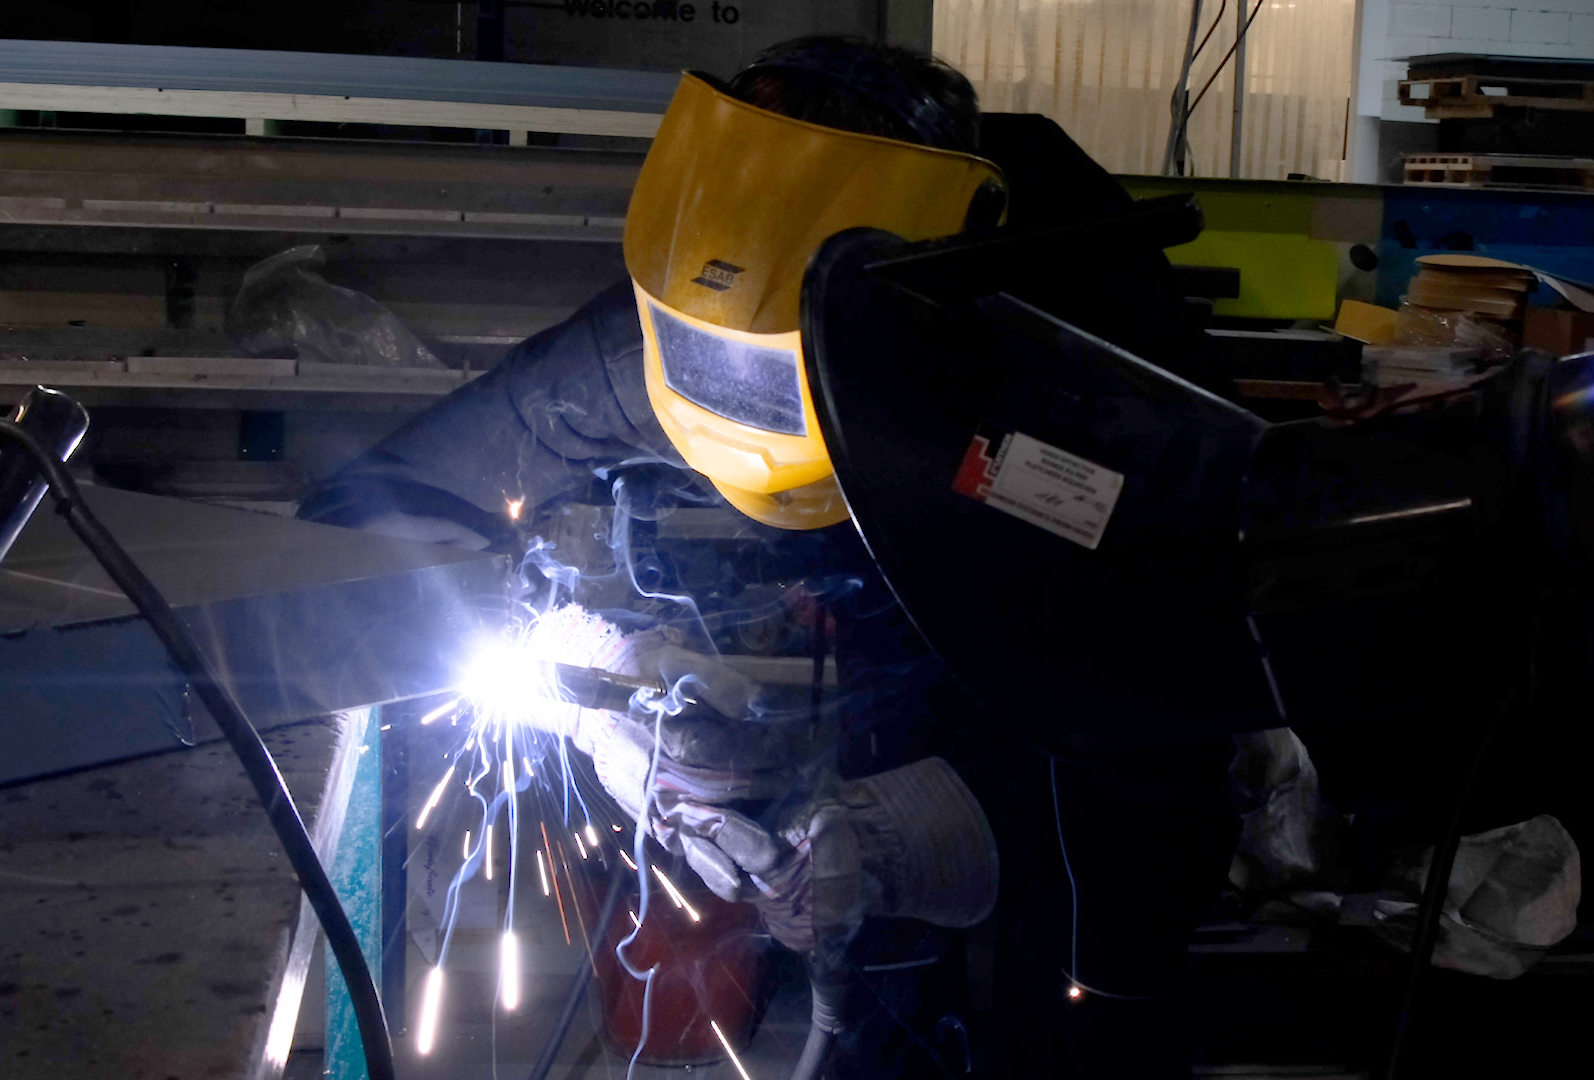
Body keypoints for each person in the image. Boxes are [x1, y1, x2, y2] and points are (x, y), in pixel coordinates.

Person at [303, 35, 1230, 1079]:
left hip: (1026, 623)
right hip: (871, 610)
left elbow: (1169, 704)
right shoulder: (657, 330)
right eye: (703, 365)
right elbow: (364, 518)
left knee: (1080, 1001)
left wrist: (934, 825)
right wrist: (582, 691)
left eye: (778, 380)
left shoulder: (1074, 383)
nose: (734, 405)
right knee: (873, 997)